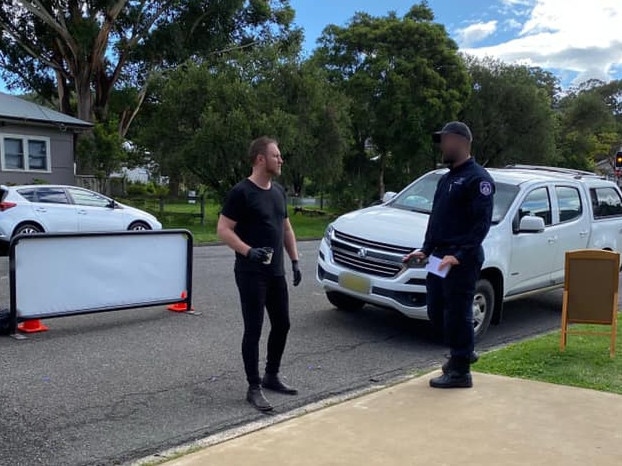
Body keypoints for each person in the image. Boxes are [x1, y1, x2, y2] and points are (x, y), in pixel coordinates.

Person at [404, 122, 494, 389]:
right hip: (438, 258)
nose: (442, 146)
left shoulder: (479, 180)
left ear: (461, 142)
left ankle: (460, 370)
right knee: (435, 309)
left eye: (445, 140)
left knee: (457, 312)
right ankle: (463, 350)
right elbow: (437, 221)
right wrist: (425, 250)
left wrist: (459, 255)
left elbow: (481, 224)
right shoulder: (446, 179)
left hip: (460, 260)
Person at [217, 136, 302, 411]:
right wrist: (247, 250)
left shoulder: (278, 192)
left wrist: (295, 260)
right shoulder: (241, 192)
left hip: (275, 272)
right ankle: (253, 387)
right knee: (253, 329)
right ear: (260, 159)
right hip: (250, 272)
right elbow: (223, 229)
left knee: (283, 324)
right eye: (276, 155)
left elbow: (286, 228)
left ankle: (271, 375)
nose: (281, 159)